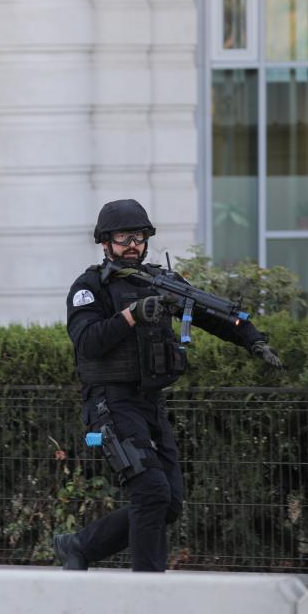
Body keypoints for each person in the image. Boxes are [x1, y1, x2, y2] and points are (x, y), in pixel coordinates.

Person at [54, 199, 283, 572]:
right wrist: (132, 315)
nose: (132, 244)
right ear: (105, 242)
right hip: (111, 404)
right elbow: (88, 342)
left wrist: (253, 340)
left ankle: (78, 545)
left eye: (138, 237)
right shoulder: (90, 287)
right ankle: (149, 585)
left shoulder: (162, 282)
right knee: (151, 492)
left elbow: (212, 313)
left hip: (151, 404)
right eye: (123, 237)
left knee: (170, 503)